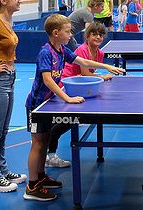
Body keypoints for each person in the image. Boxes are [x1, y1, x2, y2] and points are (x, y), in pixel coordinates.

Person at [24, 14, 124, 201]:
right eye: (68, 31)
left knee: (45, 140)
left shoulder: (62, 50)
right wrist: (67, 98)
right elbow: (47, 80)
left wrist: (105, 66)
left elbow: (83, 62)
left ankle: (41, 177)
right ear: (56, 33)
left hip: (48, 102)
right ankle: (31, 186)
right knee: (37, 144)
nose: (71, 35)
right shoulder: (46, 52)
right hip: (36, 106)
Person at [42, 23, 113, 168]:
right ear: (87, 36)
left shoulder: (100, 53)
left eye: (100, 35)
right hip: (66, 87)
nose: (98, 37)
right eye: (94, 34)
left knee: (67, 122)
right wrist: (102, 76)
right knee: (64, 122)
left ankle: (48, 150)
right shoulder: (81, 50)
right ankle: (47, 151)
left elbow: (88, 72)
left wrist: (101, 72)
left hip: (81, 88)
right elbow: (86, 72)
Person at [0, 0, 27, 193]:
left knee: (3, 131)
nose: (20, 1)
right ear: (4, 1)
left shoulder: (7, 20)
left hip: (10, 77)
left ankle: (2, 170)